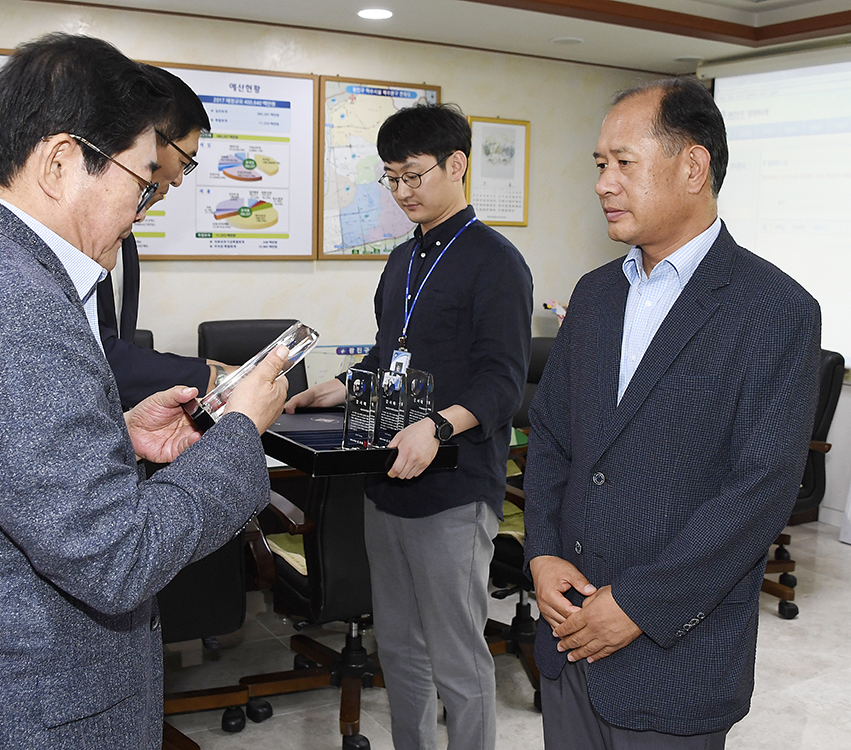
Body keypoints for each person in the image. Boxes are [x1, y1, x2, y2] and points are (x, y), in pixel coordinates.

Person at [0, 34, 287, 750]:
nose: (144, 206)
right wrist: (239, 433)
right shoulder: (12, 298)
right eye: (142, 180)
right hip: (14, 715)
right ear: (59, 161)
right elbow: (118, 560)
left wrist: (115, 429)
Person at [523, 76, 821, 748]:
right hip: (567, 643)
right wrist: (540, 553)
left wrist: (636, 605)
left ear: (693, 165)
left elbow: (760, 490)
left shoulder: (775, 309)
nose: (603, 182)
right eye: (600, 165)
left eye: (623, 162)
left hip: (673, 664)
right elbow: (551, 438)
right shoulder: (595, 294)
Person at [286, 103, 533, 750]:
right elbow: (387, 352)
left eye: (414, 176)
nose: (402, 193)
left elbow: (502, 381)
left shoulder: (496, 262)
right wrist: (337, 386)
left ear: (458, 165)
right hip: (385, 482)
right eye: (391, 178)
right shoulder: (403, 260)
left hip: (454, 487)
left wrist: (439, 428)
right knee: (399, 649)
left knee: (457, 658)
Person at [98, 66, 229, 408]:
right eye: (185, 160)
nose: (180, 179)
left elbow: (115, 346)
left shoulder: (125, 228)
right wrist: (209, 376)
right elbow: (99, 353)